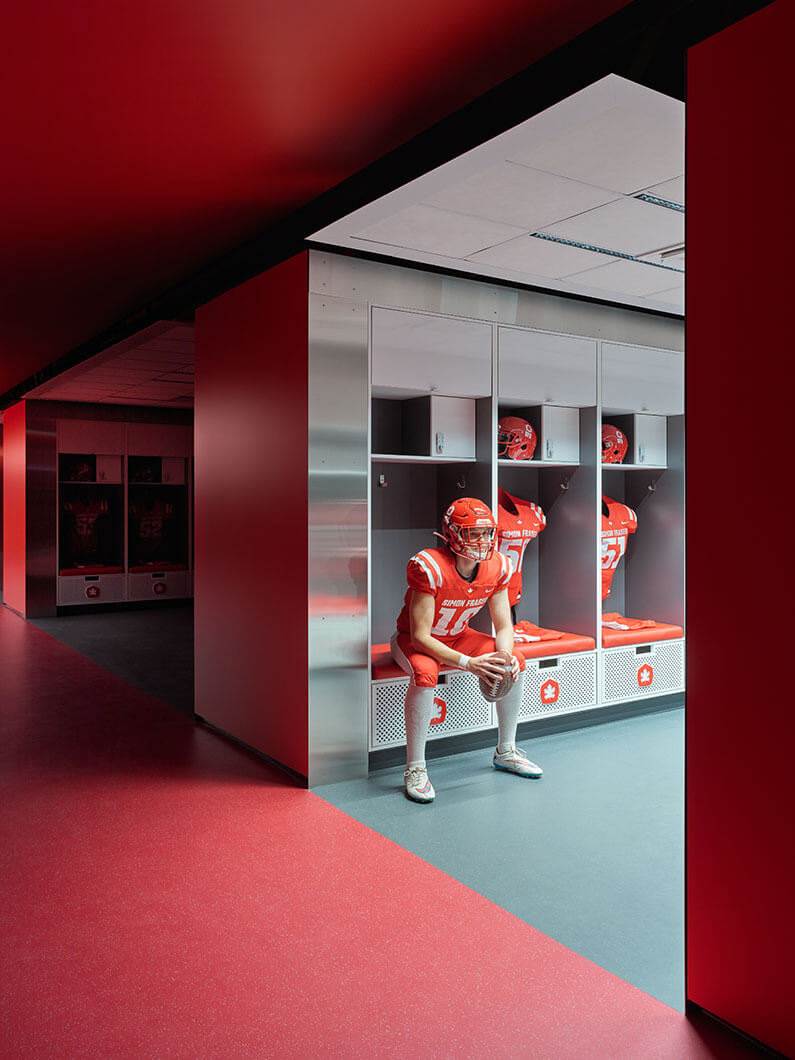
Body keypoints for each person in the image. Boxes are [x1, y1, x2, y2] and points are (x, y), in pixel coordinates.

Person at [390, 497, 543, 803]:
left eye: (487, 533)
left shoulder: (498, 565)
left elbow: (503, 626)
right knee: (425, 672)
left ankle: (506, 750)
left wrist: (505, 656)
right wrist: (469, 663)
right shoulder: (429, 566)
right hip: (414, 639)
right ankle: (415, 768)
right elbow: (420, 637)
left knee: (516, 661)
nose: (483, 540)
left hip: (458, 635)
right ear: (452, 534)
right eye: (474, 533)